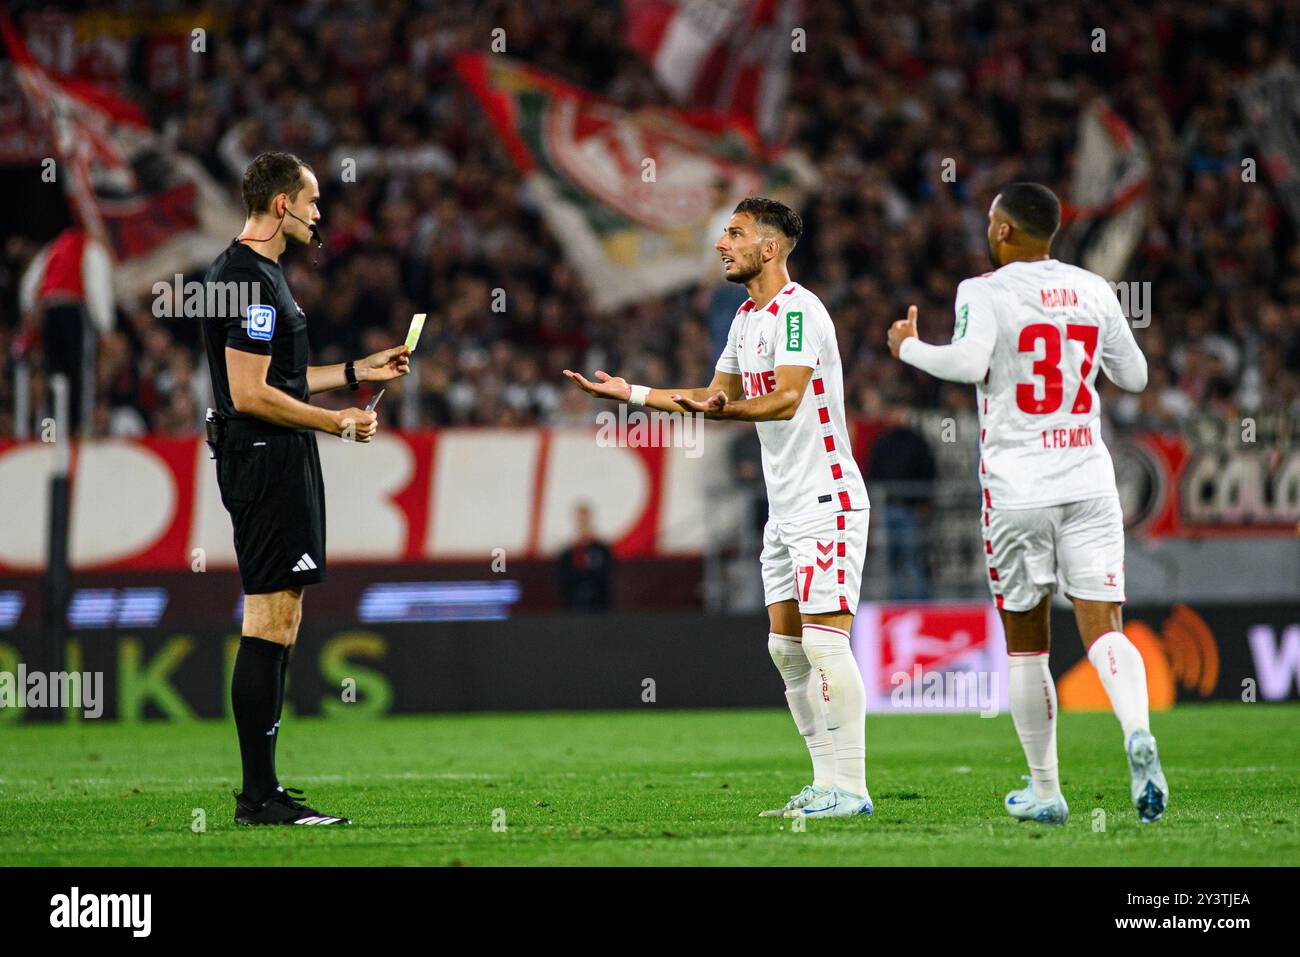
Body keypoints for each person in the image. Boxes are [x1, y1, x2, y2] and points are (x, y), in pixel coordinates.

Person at [564, 197, 872, 818]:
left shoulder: (798, 313)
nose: (721, 244)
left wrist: (720, 411)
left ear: (771, 247)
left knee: (823, 644)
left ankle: (852, 788)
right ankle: (823, 782)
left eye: (734, 234)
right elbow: (714, 397)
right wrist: (634, 393)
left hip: (827, 498)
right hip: (784, 508)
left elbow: (784, 400)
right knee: (784, 651)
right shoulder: (744, 320)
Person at [888, 182, 1167, 825]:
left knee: (1027, 649)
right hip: (1091, 482)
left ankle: (1045, 792)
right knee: (1104, 628)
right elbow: (1137, 377)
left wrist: (909, 348)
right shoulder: (1095, 289)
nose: (988, 230)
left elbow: (965, 363)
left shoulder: (982, 290)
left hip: (1018, 490)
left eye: (991, 220)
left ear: (1006, 231)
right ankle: (1136, 733)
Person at [199, 151, 410, 826]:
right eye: (313, 202)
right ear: (283, 205)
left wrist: (356, 369)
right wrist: (338, 423)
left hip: (277, 452)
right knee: (266, 617)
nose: (321, 214)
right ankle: (257, 796)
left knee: (282, 617)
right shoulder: (244, 278)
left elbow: (279, 378)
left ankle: (265, 790)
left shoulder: (260, 276)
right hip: (263, 456)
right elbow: (248, 393)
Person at [556, 502, 614, 610]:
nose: (583, 523)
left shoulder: (602, 550)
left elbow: (605, 575)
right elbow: (563, 580)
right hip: (573, 606)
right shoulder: (567, 553)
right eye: (580, 520)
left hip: (599, 605)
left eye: (585, 519)